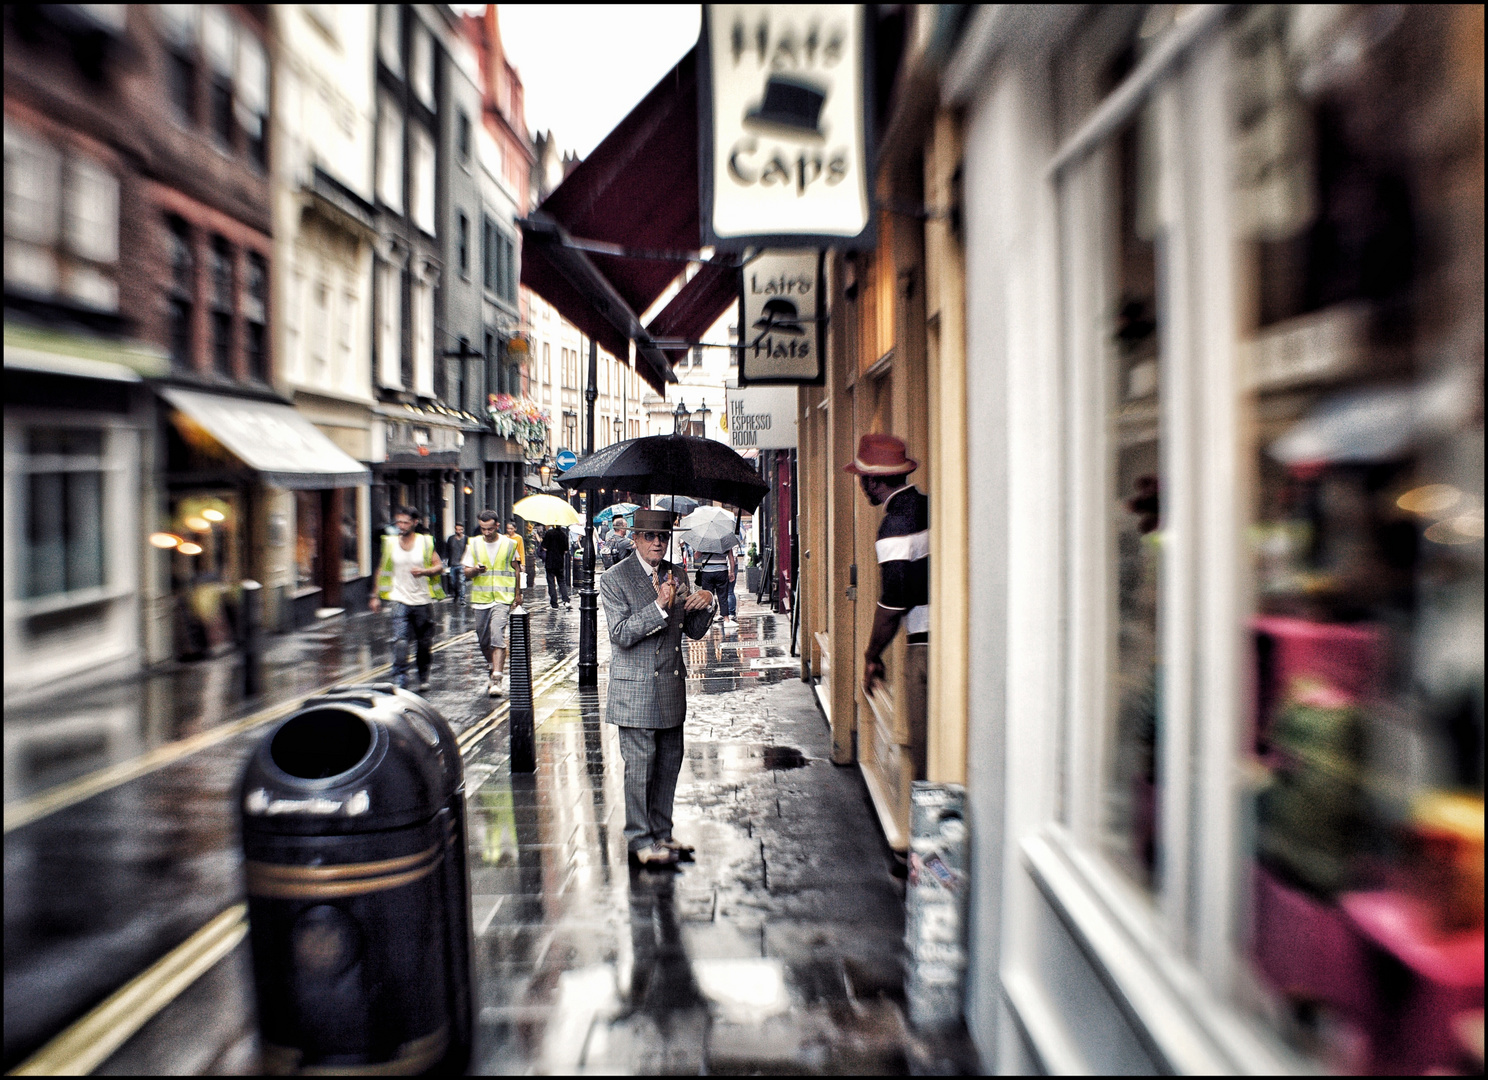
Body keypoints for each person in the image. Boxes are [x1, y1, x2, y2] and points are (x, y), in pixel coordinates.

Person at [599, 508, 715, 866]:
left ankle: (662, 833)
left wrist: (705, 602)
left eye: (663, 537)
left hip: (670, 685)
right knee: (640, 766)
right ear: (634, 539)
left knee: (668, 763)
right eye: (649, 536)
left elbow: (693, 632)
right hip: (634, 689)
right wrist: (659, 606)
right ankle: (639, 839)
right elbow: (620, 634)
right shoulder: (615, 579)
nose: (657, 543)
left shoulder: (677, 573)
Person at [845, 433, 930, 780]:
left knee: (924, 744)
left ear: (875, 480)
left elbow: (893, 602)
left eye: (864, 477)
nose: (862, 485)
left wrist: (871, 654)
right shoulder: (927, 506)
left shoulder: (894, 526)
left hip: (925, 643)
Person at [370, 506, 446, 692]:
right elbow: (381, 568)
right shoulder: (390, 543)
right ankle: (400, 680)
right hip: (399, 599)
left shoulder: (425, 543)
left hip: (422, 600)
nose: (401, 526)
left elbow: (439, 567)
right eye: (398, 522)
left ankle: (422, 675)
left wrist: (424, 572)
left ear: (414, 522)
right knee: (400, 641)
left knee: (423, 644)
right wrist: (375, 595)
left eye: (405, 522)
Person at [463, 510, 521, 697]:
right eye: (483, 529)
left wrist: (517, 593)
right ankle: (491, 665)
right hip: (481, 599)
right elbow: (465, 572)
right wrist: (475, 570)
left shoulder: (509, 544)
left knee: (497, 633)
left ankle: (497, 678)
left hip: (502, 598)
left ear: (497, 526)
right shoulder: (474, 544)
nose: (486, 532)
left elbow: (516, 569)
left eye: (489, 528)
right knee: (483, 638)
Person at [694, 544, 738, 628]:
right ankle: (726, 619)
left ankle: (707, 621)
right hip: (722, 571)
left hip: (707, 572)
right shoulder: (724, 541)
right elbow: (731, 558)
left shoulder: (704, 542)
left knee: (707, 596)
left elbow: (696, 556)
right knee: (723, 596)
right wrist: (732, 572)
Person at [541, 522, 572, 608]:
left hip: (550, 562)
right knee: (561, 581)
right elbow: (566, 550)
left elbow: (544, 547)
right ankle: (566, 600)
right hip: (560, 562)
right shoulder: (564, 535)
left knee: (551, 582)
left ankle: (554, 602)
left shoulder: (549, 533)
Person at [444, 523, 468, 605]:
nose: (459, 531)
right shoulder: (451, 539)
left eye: (461, 529)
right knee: (453, 581)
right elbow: (447, 550)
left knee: (461, 581)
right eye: (457, 529)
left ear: (463, 530)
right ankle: (456, 594)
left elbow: (468, 550)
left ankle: (462, 598)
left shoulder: (466, 539)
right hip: (453, 564)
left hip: (462, 564)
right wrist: (446, 560)